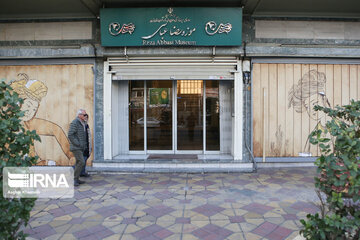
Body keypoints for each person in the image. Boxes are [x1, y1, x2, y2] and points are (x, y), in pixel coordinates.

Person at [10, 73, 73, 165]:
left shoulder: (29, 123)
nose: (30, 111)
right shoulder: (8, 125)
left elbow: (56, 129)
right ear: (18, 103)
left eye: (34, 109)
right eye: (28, 105)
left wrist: (71, 155)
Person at [68, 109, 88, 186]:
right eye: (84, 115)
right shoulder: (75, 123)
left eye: (85, 115)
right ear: (79, 115)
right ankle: (75, 179)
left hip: (80, 147)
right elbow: (70, 135)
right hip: (76, 147)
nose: (85, 116)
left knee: (78, 162)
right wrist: (78, 143)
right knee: (81, 162)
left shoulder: (82, 123)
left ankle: (76, 178)